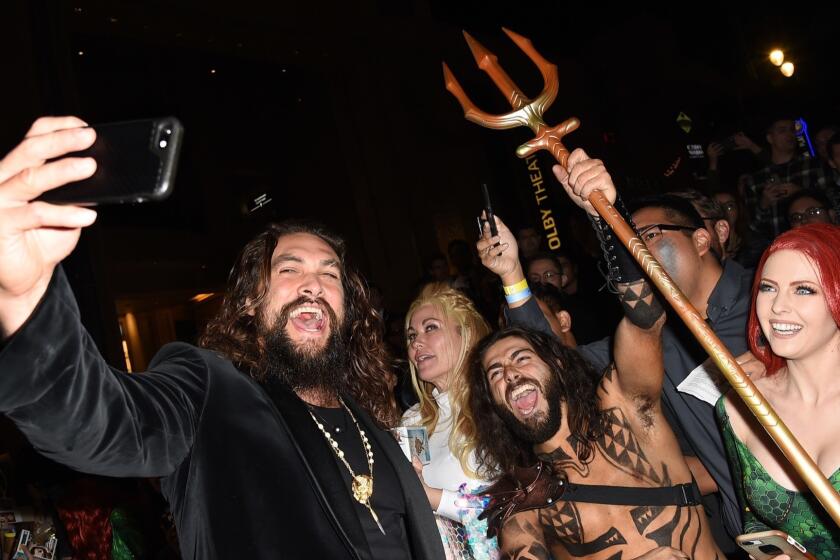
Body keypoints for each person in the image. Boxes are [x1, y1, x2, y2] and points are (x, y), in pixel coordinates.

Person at [0, 117, 443, 559]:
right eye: (289, 269)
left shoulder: (371, 416)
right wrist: (28, 303)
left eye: (330, 274)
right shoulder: (209, 388)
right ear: (251, 301)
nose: (314, 285)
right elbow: (97, 422)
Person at [469, 149, 723, 558]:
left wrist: (607, 217)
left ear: (555, 364)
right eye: (494, 373)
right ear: (492, 406)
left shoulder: (626, 407)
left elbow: (644, 317)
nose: (509, 373)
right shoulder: (527, 497)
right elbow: (520, 546)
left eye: (519, 358)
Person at [716, 223, 840, 559]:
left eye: (804, 290)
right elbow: (755, 521)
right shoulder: (740, 407)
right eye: (768, 288)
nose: (777, 307)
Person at [402, 283, 497, 559]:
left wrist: (434, 498)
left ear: (465, 333)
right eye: (411, 336)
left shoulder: (493, 403)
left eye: (430, 328)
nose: (416, 343)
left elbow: (516, 502)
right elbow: (412, 496)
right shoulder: (414, 421)